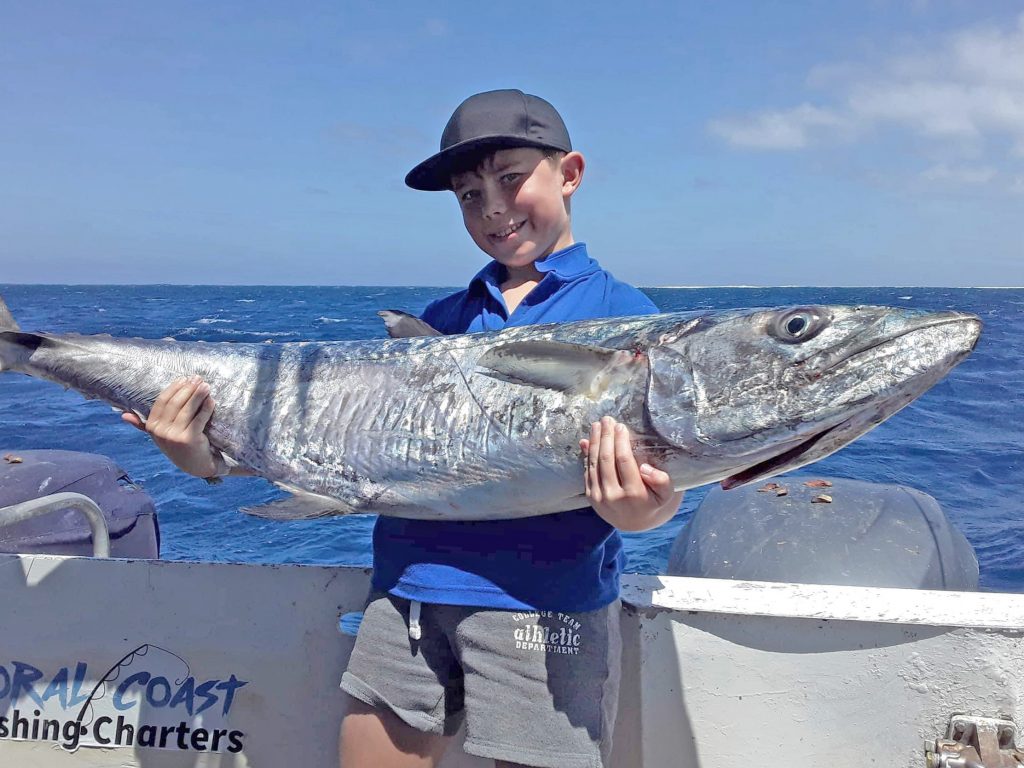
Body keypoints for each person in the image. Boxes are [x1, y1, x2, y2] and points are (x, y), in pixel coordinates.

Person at [126, 89, 684, 768]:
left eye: (510, 179)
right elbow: (345, 447)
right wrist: (203, 459)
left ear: (569, 173)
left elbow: (658, 477)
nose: (493, 208)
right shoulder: (440, 319)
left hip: (548, 607)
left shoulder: (625, 316)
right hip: (409, 591)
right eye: (468, 196)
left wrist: (645, 511)